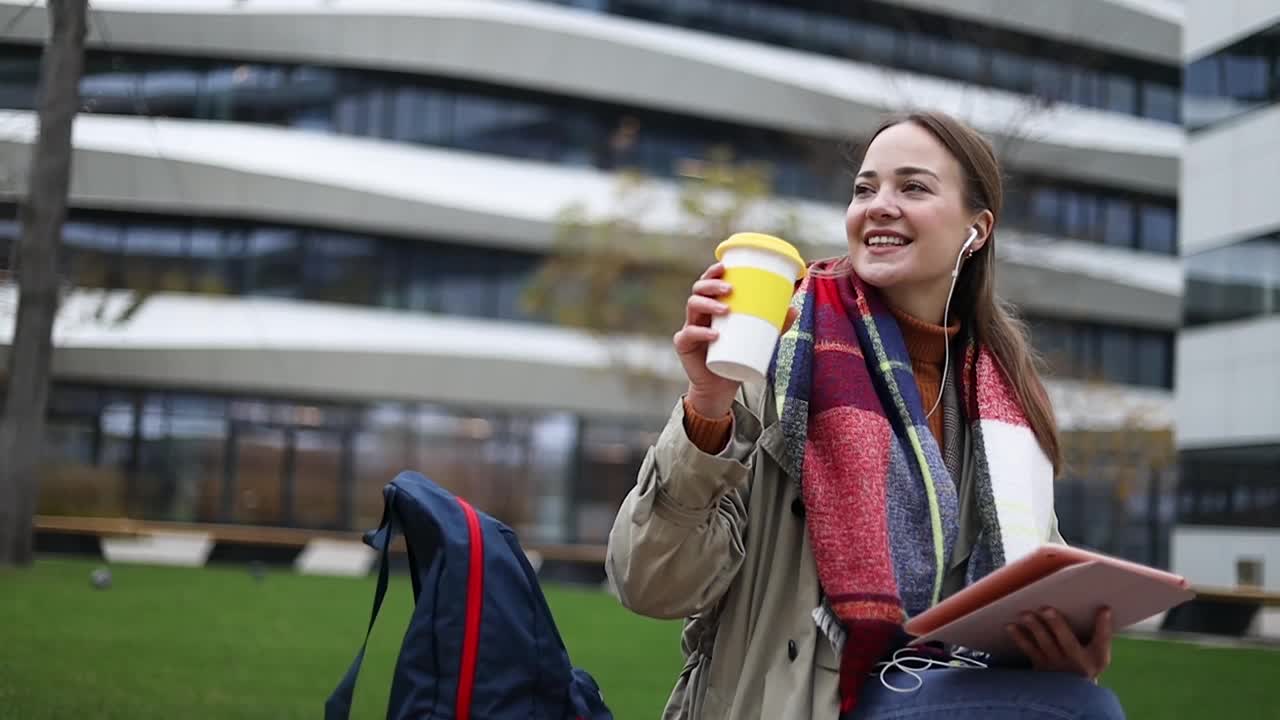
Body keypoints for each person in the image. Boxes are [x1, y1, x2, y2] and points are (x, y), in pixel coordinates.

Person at [605, 111, 1126, 720]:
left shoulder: (1004, 408)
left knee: (1081, 703)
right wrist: (707, 405)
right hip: (802, 705)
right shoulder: (776, 360)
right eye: (864, 188)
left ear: (976, 230)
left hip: (942, 689)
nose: (879, 205)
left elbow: (1034, 584)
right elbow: (650, 584)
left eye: (913, 187)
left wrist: (1064, 650)